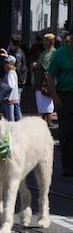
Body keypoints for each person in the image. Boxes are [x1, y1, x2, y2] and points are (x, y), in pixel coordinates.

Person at [47, 33, 73, 176]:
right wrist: (55, 97)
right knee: (67, 133)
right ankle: (67, 165)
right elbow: (50, 75)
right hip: (65, 96)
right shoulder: (61, 54)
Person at [0, 34, 27, 120]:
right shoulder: (18, 52)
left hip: (17, 83)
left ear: (11, 42)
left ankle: (18, 123)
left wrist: (4, 83)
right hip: (19, 81)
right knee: (16, 104)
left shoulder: (17, 54)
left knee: (15, 105)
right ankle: (18, 122)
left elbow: (16, 68)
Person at [33, 33, 56, 126]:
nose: (46, 42)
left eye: (48, 41)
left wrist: (38, 65)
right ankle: (43, 119)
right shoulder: (44, 52)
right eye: (45, 40)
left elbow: (48, 65)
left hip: (47, 79)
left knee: (48, 99)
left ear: (52, 42)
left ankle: (49, 120)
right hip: (40, 79)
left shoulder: (54, 52)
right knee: (41, 100)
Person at [0, 55, 20, 121]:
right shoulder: (13, 72)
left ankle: (12, 130)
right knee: (15, 116)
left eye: (5, 63)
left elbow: (11, 86)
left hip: (9, 99)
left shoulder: (10, 73)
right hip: (13, 98)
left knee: (10, 118)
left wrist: (2, 84)